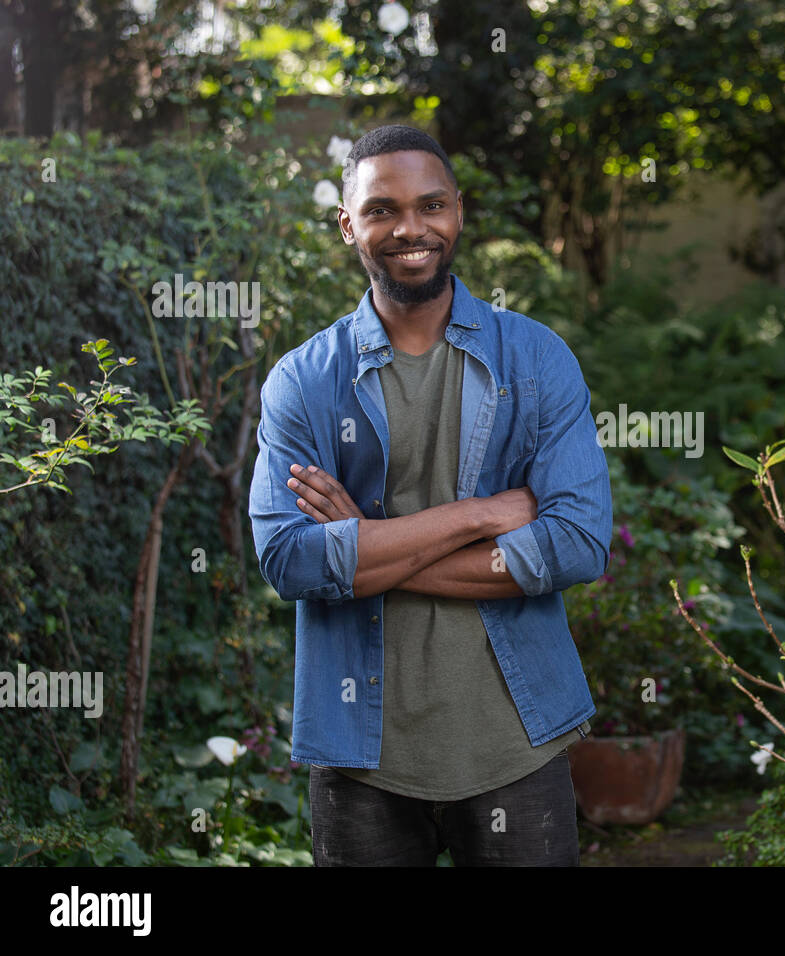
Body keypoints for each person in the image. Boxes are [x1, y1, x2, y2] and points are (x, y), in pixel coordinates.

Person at [247, 124, 612, 866]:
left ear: (458, 212)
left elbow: (576, 542)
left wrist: (364, 548)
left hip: (515, 742)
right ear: (348, 224)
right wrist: (481, 515)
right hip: (362, 758)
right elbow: (288, 559)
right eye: (381, 209)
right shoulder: (304, 381)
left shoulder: (536, 358)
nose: (409, 227)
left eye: (430, 204)